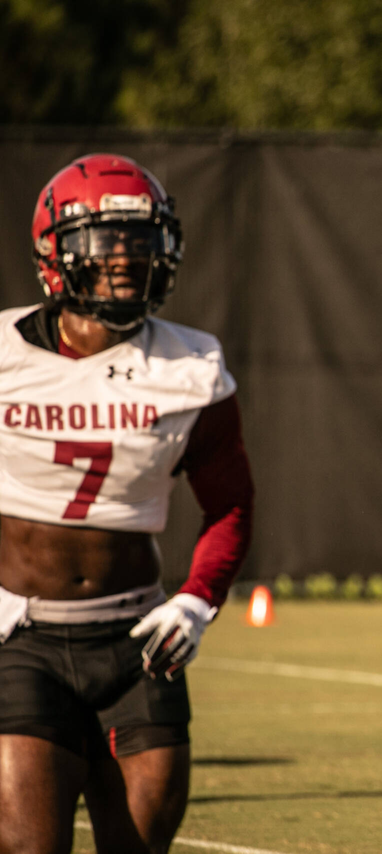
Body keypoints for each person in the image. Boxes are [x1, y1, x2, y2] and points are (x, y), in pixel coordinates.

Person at [0, 154, 254, 853]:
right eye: (108, 243)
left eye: (143, 244)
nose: (128, 262)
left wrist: (197, 602)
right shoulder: (3, 355)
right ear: (56, 253)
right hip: (23, 639)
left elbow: (230, 506)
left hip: (137, 643)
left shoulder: (191, 365)